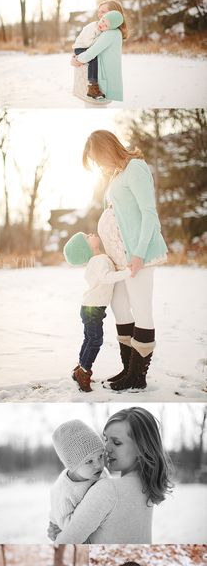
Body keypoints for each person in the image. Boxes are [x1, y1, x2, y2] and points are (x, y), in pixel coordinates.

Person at [83, 130, 168, 390]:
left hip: (138, 256)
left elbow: (148, 213)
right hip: (120, 259)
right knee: (120, 308)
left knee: (142, 310)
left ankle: (138, 376)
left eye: (98, 159)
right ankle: (127, 368)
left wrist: (139, 252)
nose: (99, 166)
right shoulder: (118, 174)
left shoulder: (136, 168)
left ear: (108, 149)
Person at [50, 407, 171, 546]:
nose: (106, 448)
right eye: (106, 439)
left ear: (141, 447)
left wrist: (59, 535)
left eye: (117, 442)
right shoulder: (146, 485)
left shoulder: (108, 490)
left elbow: (63, 546)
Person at [63, 231, 131, 392]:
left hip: (90, 307)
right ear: (86, 248)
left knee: (89, 338)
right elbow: (107, 278)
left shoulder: (98, 259)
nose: (91, 234)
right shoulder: (98, 261)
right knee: (95, 340)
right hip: (92, 308)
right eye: (87, 237)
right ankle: (84, 371)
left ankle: (80, 368)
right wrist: (128, 272)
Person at [47, 420, 108, 542]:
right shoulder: (64, 491)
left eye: (100, 456)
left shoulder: (101, 472)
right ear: (73, 465)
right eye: (89, 461)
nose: (98, 465)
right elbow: (70, 528)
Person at [73, 0, 127, 102]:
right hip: (90, 75)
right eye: (99, 12)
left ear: (114, 13)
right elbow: (84, 43)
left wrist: (76, 60)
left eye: (103, 12)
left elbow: (92, 52)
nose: (99, 15)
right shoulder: (99, 28)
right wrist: (75, 57)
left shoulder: (110, 33)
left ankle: (92, 86)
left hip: (99, 83)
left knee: (93, 108)